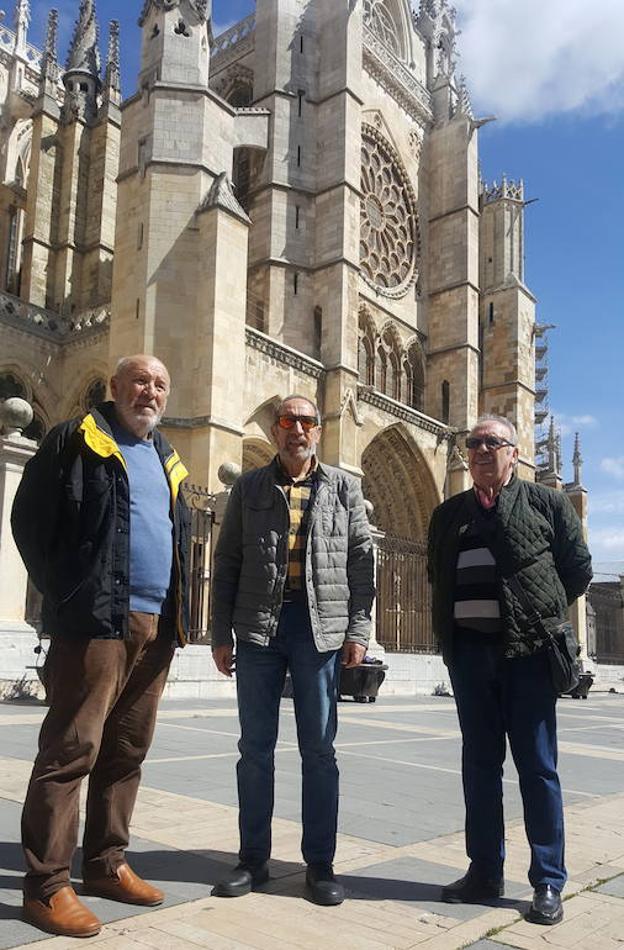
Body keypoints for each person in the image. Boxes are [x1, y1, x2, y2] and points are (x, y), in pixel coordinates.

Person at [11, 355, 190, 938]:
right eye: (140, 381)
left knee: (126, 751)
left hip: (154, 622)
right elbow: (29, 520)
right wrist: (68, 593)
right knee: (70, 751)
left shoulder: (166, 455)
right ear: (113, 388)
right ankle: (46, 886)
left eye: (160, 385)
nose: (151, 391)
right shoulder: (76, 437)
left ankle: (106, 863)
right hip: (95, 620)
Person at [428, 414, 592, 926]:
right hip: (470, 657)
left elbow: (578, 567)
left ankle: (547, 880)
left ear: (513, 453)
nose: (479, 451)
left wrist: (541, 612)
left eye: (491, 443)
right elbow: (436, 573)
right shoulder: (448, 513)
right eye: (473, 443)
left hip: (528, 656)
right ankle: (485, 871)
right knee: (479, 768)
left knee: (537, 770)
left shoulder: (546, 503)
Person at [211, 394, 375, 906]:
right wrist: (219, 632)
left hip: (319, 630)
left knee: (319, 751)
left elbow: (362, 564)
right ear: (276, 428)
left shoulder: (344, 488)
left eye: (306, 421)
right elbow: (228, 559)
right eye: (288, 421)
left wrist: (358, 629)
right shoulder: (250, 486)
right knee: (254, 750)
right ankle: (252, 860)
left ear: (318, 431)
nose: (297, 429)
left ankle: (319, 866)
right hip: (259, 628)